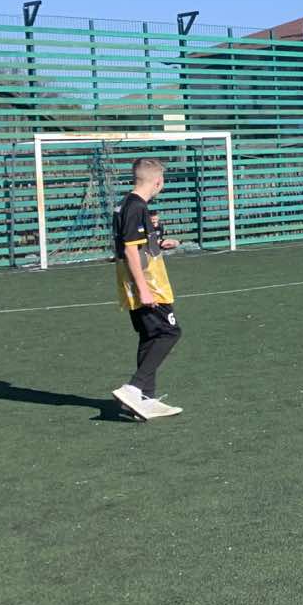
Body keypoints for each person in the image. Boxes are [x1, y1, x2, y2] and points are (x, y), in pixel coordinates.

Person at [111, 158, 184, 418]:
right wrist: (143, 289)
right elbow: (130, 250)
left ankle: (145, 399)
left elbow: (137, 244)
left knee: (150, 335)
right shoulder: (136, 207)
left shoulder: (126, 205)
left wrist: (161, 242)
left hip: (137, 281)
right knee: (170, 332)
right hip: (147, 283)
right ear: (157, 182)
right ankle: (134, 388)